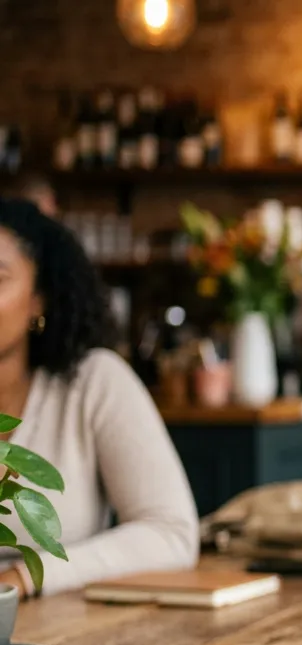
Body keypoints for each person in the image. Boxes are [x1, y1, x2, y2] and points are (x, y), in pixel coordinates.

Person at [0, 198, 198, 598]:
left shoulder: (92, 383)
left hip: (63, 637)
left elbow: (171, 532)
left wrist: (23, 577)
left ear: (39, 297)